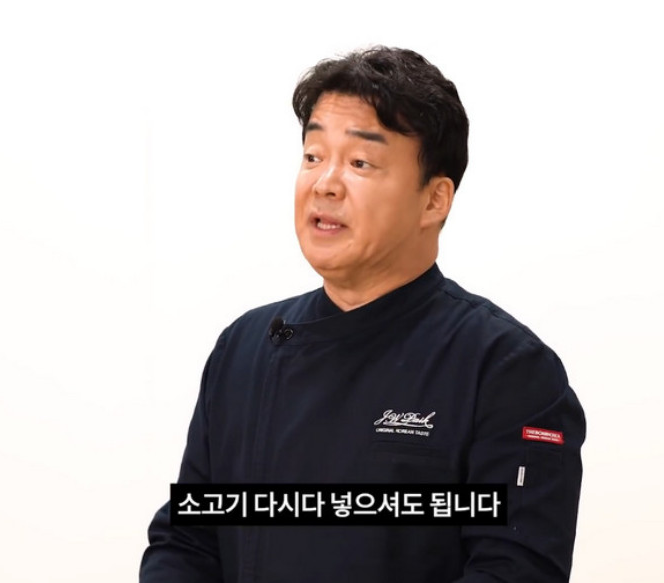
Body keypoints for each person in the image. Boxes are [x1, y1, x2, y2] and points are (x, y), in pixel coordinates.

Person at [139, 46, 585, 582]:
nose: (325, 183)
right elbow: (187, 540)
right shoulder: (244, 349)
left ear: (434, 200)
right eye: (313, 156)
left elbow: (513, 570)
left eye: (359, 163)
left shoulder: (507, 369)